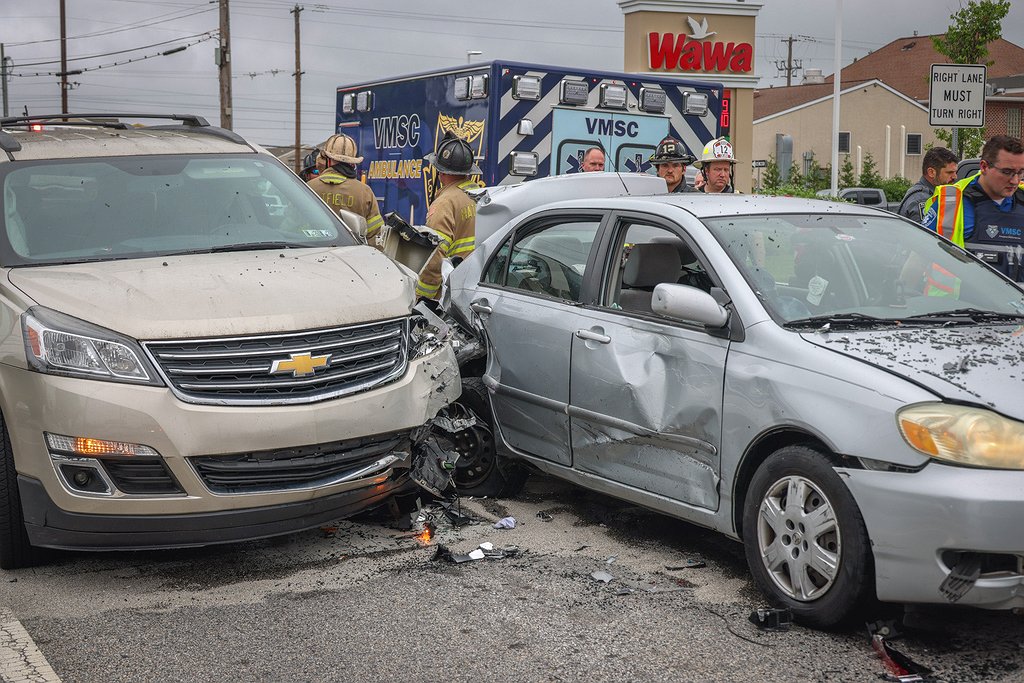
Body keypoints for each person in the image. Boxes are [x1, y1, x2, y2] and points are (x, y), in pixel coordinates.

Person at [922, 135, 1024, 283]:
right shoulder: (951, 201)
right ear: (984, 167)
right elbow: (919, 256)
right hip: (964, 297)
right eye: (1007, 172)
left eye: (1020, 172)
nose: (1015, 180)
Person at [415, 132, 483, 300]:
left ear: (440, 171)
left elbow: (434, 257)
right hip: (476, 287)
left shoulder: (445, 204)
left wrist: (422, 298)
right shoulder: (482, 195)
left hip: (450, 293)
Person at [305, 133, 384, 245]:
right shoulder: (364, 192)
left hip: (313, 251)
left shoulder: (308, 188)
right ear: (352, 162)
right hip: (352, 254)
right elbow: (375, 235)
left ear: (327, 159)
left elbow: (292, 226)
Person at [898, 147, 959, 222]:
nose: (955, 177)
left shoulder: (931, 194)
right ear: (931, 172)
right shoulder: (921, 199)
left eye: (955, 172)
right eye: (949, 172)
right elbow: (923, 229)